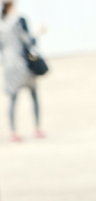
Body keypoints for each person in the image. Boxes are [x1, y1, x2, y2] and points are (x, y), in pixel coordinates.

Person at [0, 0, 43, 142]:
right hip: (23, 65)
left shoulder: (1, 24)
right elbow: (29, 42)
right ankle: (37, 128)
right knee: (34, 95)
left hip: (9, 66)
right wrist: (38, 33)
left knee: (13, 99)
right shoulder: (19, 21)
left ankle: (13, 131)